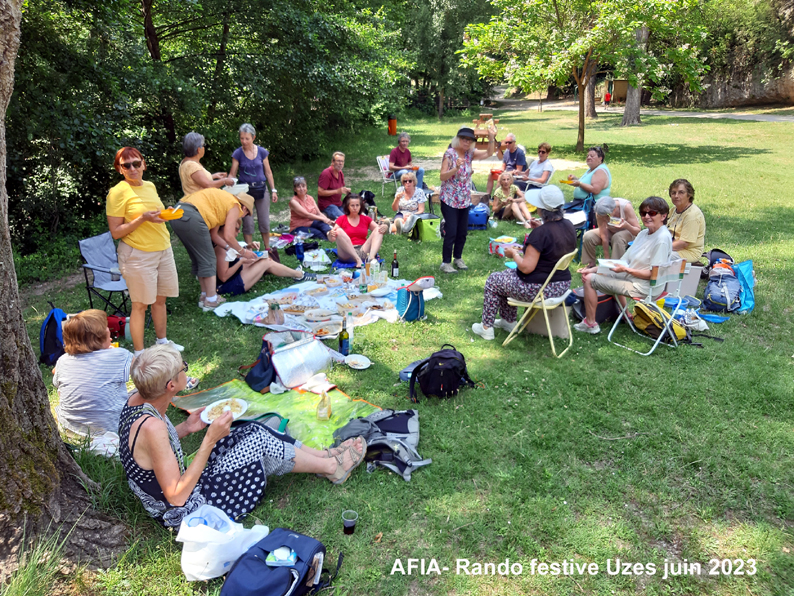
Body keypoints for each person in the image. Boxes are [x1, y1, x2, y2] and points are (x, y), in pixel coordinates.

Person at [119, 345, 367, 527]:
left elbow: (152, 454)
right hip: (184, 512)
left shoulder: (137, 400)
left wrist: (186, 427)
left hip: (177, 488)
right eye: (183, 368)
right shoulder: (153, 426)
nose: (186, 370)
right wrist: (209, 440)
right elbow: (176, 496)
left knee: (252, 431)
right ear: (171, 386)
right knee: (257, 443)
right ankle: (332, 466)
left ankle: (324, 457)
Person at [472, 186, 576, 340]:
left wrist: (513, 253)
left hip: (540, 289)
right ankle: (509, 321)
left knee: (494, 280)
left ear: (541, 209)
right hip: (561, 285)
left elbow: (526, 268)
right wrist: (541, 228)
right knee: (507, 275)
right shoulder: (568, 225)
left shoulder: (540, 234)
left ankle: (486, 328)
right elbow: (553, 243)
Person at [106, 147, 181, 357]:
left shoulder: (149, 186)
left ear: (143, 164)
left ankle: (163, 342)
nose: (132, 169)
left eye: (136, 163)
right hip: (137, 255)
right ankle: (139, 354)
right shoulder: (117, 192)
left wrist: (164, 214)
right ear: (119, 169)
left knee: (160, 300)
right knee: (140, 305)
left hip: (163, 249)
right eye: (126, 165)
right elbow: (115, 232)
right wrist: (142, 219)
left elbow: (154, 215)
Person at [575, 196, 673, 335]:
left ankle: (590, 324)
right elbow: (623, 261)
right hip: (632, 277)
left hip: (644, 287)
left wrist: (625, 269)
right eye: (643, 213)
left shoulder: (662, 238)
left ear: (663, 216)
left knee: (589, 279)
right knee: (589, 274)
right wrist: (595, 268)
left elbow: (653, 275)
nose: (646, 216)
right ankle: (624, 313)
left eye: (652, 213)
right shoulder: (644, 233)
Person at [169, 188, 256, 311]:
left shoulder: (221, 203)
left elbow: (214, 235)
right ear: (245, 209)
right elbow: (229, 236)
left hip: (177, 213)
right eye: (247, 214)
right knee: (209, 259)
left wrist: (229, 248)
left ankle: (204, 296)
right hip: (192, 216)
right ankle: (211, 300)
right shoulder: (235, 206)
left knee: (198, 258)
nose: (242, 216)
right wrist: (244, 252)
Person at [438, 125, 496, 273]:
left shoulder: (470, 153)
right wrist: (455, 168)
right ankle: (445, 263)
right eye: (464, 139)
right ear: (458, 139)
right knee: (451, 230)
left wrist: (491, 137)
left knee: (462, 231)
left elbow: (490, 152)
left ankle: (458, 258)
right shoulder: (450, 154)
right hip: (449, 199)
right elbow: (442, 176)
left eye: (470, 140)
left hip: (464, 199)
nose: (467, 142)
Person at [214, 220, 315, 296]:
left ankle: (297, 274)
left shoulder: (224, 242)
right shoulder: (220, 249)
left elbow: (231, 258)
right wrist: (242, 261)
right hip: (227, 286)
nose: (239, 232)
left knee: (262, 258)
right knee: (265, 262)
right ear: (226, 228)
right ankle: (298, 275)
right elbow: (223, 277)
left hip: (233, 276)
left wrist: (248, 247)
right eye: (236, 228)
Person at [228, 123, 278, 249]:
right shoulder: (237, 153)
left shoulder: (262, 152)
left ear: (253, 138)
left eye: (247, 138)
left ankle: (267, 247)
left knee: (264, 221)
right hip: (245, 192)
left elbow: (268, 172)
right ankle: (249, 249)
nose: (244, 141)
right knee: (248, 223)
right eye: (241, 138)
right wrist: (228, 188)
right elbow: (232, 174)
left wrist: (273, 190)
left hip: (261, 189)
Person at [328, 194, 388, 267]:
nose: (355, 208)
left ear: (361, 206)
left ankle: (371, 259)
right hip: (347, 253)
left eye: (357, 205)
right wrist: (330, 234)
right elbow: (332, 239)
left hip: (363, 250)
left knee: (378, 229)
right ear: (347, 206)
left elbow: (380, 232)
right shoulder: (341, 219)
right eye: (352, 205)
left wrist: (384, 227)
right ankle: (357, 260)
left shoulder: (365, 219)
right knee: (338, 231)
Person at [581, 196, 641, 267]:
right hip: (610, 231)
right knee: (588, 236)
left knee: (617, 237)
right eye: (602, 216)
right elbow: (603, 234)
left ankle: (617, 266)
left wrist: (626, 225)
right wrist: (607, 259)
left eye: (606, 215)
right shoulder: (600, 210)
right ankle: (591, 264)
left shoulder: (626, 207)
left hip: (628, 231)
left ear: (614, 209)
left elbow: (638, 231)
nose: (604, 218)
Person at [667, 179, 705, 263]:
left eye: (681, 192)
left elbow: (683, 243)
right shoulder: (673, 210)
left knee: (657, 257)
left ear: (689, 195)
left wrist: (660, 248)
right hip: (672, 246)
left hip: (687, 252)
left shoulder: (692, 215)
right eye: (673, 193)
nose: (676, 196)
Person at [391, 171, 427, 235]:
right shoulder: (400, 190)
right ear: (403, 183)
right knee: (398, 221)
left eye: (410, 181)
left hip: (415, 214)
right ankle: (401, 229)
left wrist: (411, 215)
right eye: (405, 181)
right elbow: (394, 209)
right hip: (401, 213)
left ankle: (393, 229)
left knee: (408, 221)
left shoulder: (419, 192)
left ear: (414, 182)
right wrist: (397, 199)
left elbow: (421, 210)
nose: (407, 183)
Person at [317, 152, 351, 220]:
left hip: (338, 204)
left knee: (352, 215)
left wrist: (345, 190)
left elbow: (339, 188)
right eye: (338, 161)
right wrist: (337, 191)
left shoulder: (340, 173)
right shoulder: (326, 173)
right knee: (344, 219)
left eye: (342, 161)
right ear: (332, 161)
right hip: (327, 205)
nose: (340, 163)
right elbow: (320, 192)